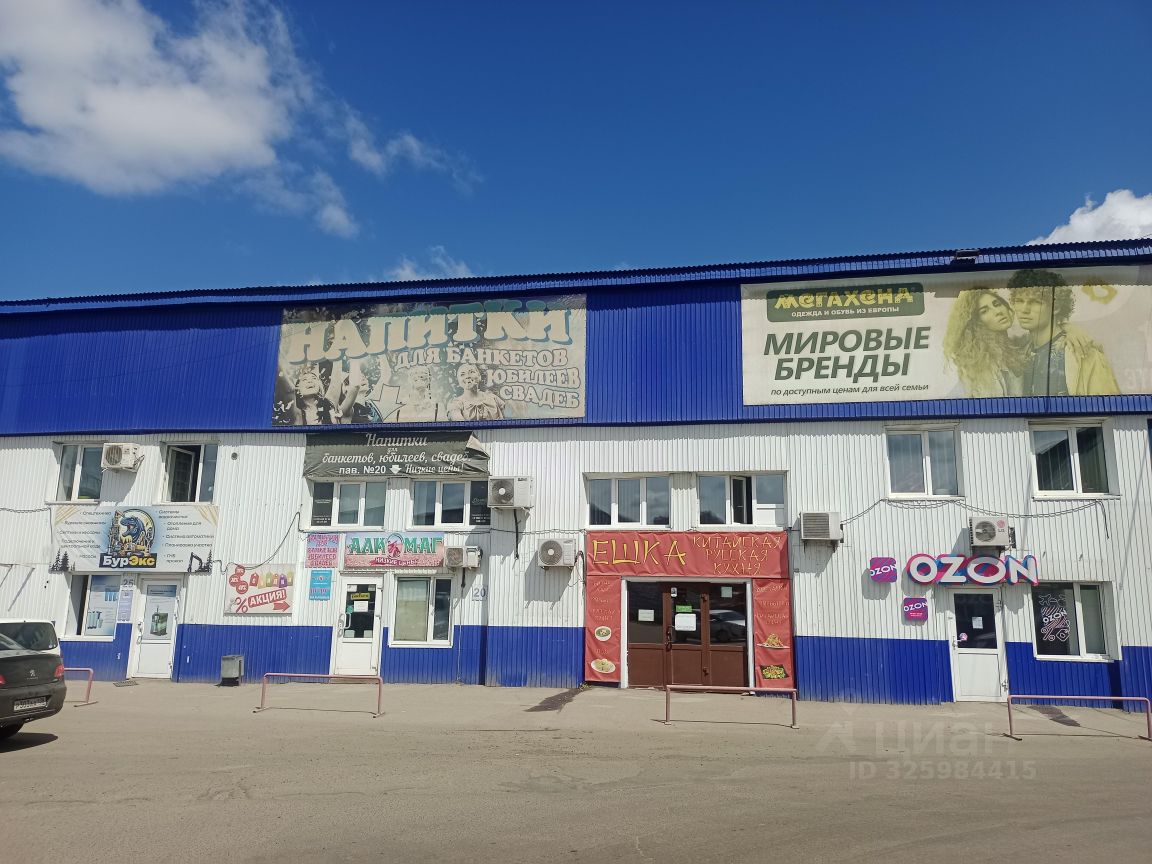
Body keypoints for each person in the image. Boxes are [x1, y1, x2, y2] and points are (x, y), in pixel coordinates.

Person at [1008, 269, 1119, 396]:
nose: (1024, 309)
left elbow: (1108, 405)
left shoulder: (1083, 352)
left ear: (1056, 307)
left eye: (1035, 302)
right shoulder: (1020, 353)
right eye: (1019, 301)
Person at [942, 287, 1023, 397]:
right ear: (976, 323)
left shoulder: (1016, 350)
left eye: (997, 304)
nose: (998, 312)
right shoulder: (981, 369)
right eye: (984, 311)